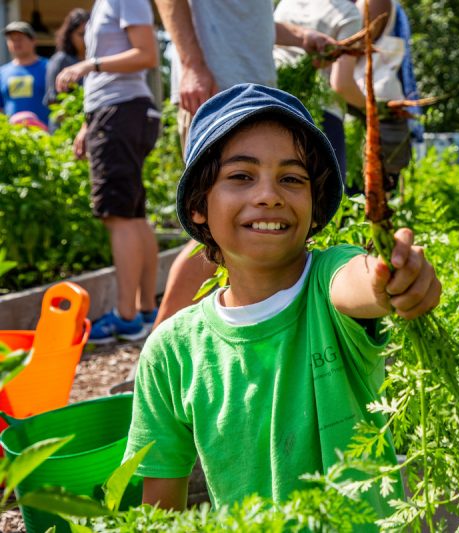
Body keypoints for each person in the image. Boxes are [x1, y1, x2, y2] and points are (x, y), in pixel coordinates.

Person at [124, 84, 441, 518]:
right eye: (241, 176)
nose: (270, 195)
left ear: (314, 203)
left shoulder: (330, 280)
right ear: (199, 205)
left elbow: (361, 282)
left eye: (292, 179)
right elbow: (158, 515)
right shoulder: (170, 351)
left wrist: (394, 276)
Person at [150, 0, 338, 330]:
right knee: (214, 229)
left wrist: (301, 36)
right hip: (216, 96)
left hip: (262, 97)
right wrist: (192, 64)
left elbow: (252, 20)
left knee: (245, 233)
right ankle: (157, 347)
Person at [55, 0, 161, 343]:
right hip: (116, 113)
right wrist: (89, 124)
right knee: (133, 214)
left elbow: (146, 55)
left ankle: (126, 317)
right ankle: (145, 310)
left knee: (117, 216)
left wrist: (89, 65)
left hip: (120, 112)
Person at [273, 0, 367, 177]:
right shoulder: (349, 14)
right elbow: (342, 85)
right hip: (322, 116)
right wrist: (370, 108)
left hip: (275, 107)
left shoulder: (287, 3)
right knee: (323, 196)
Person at [349, 0, 422, 194]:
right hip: (362, 109)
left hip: (376, 114)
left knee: (370, 196)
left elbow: (347, 49)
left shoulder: (373, 2)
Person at [1, 21, 49, 126]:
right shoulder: (2, 73)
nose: (16, 43)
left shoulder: (49, 67)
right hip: (13, 137)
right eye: (11, 39)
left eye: (20, 39)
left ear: (33, 40)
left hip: (46, 136)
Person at [43, 8, 89, 107]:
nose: (86, 39)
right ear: (70, 35)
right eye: (81, 34)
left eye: (89, 34)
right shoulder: (60, 60)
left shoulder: (98, 61)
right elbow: (52, 99)